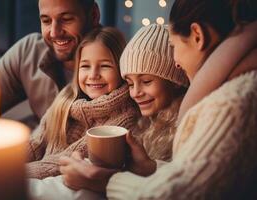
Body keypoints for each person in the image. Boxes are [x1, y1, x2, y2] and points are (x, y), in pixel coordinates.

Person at [58, 0, 257, 199]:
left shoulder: (230, 103)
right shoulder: (228, 91)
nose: (176, 61)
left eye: (174, 45)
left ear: (197, 36)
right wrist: (150, 168)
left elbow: (174, 194)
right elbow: (192, 176)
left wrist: (102, 180)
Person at [28, 24, 188, 200]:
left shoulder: (129, 122)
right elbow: (36, 142)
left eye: (147, 81)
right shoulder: (65, 100)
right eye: (130, 83)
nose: (135, 93)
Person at [26, 27, 140, 180]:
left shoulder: (124, 120)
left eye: (105, 66)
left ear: (121, 70)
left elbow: (61, 164)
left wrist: (11, 173)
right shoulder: (65, 100)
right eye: (85, 66)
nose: (93, 75)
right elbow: (35, 143)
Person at [0, 0, 100, 123]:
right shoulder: (29, 53)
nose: (54, 33)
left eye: (66, 19)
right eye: (46, 21)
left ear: (94, 15)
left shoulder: (118, 65)